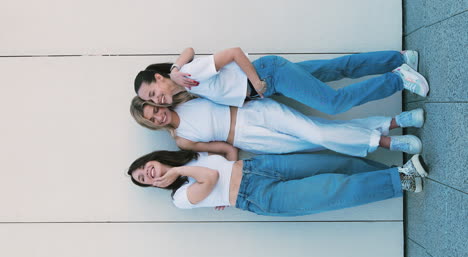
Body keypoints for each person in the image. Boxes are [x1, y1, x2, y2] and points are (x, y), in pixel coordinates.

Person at [127, 150, 428, 216]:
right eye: (144, 180)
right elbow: (212, 177)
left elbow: (226, 154)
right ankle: (402, 177)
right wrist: (178, 173)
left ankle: (397, 175)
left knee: (335, 163)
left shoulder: (190, 154)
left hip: (260, 166)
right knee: (332, 189)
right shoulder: (178, 196)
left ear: (151, 159)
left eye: (144, 168)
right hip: (260, 195)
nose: (149, 175)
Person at [134, 47, 429, 114]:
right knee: (337, 68)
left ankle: (398, 78)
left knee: (333, 103)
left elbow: (234, 52)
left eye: (152, 91)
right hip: (271, 78)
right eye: (150, 100)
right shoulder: (184, 81)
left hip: (268, 75)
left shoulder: (188, 74)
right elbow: (187, 48)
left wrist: (257, 84)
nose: (156, 99)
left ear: (159, 77)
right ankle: (399, 59)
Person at [130, 96, 425, 160]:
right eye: (151, 118)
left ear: (160, 104)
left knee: (319, 132)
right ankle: (393, 123)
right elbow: (225, 149)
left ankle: (390, 142)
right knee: (322, 136)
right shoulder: (183, 140)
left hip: (255, 113)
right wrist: (225, 179)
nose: (158, 116)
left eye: (155, 109)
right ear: (150, 125)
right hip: (252, 140)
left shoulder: (184, 97)